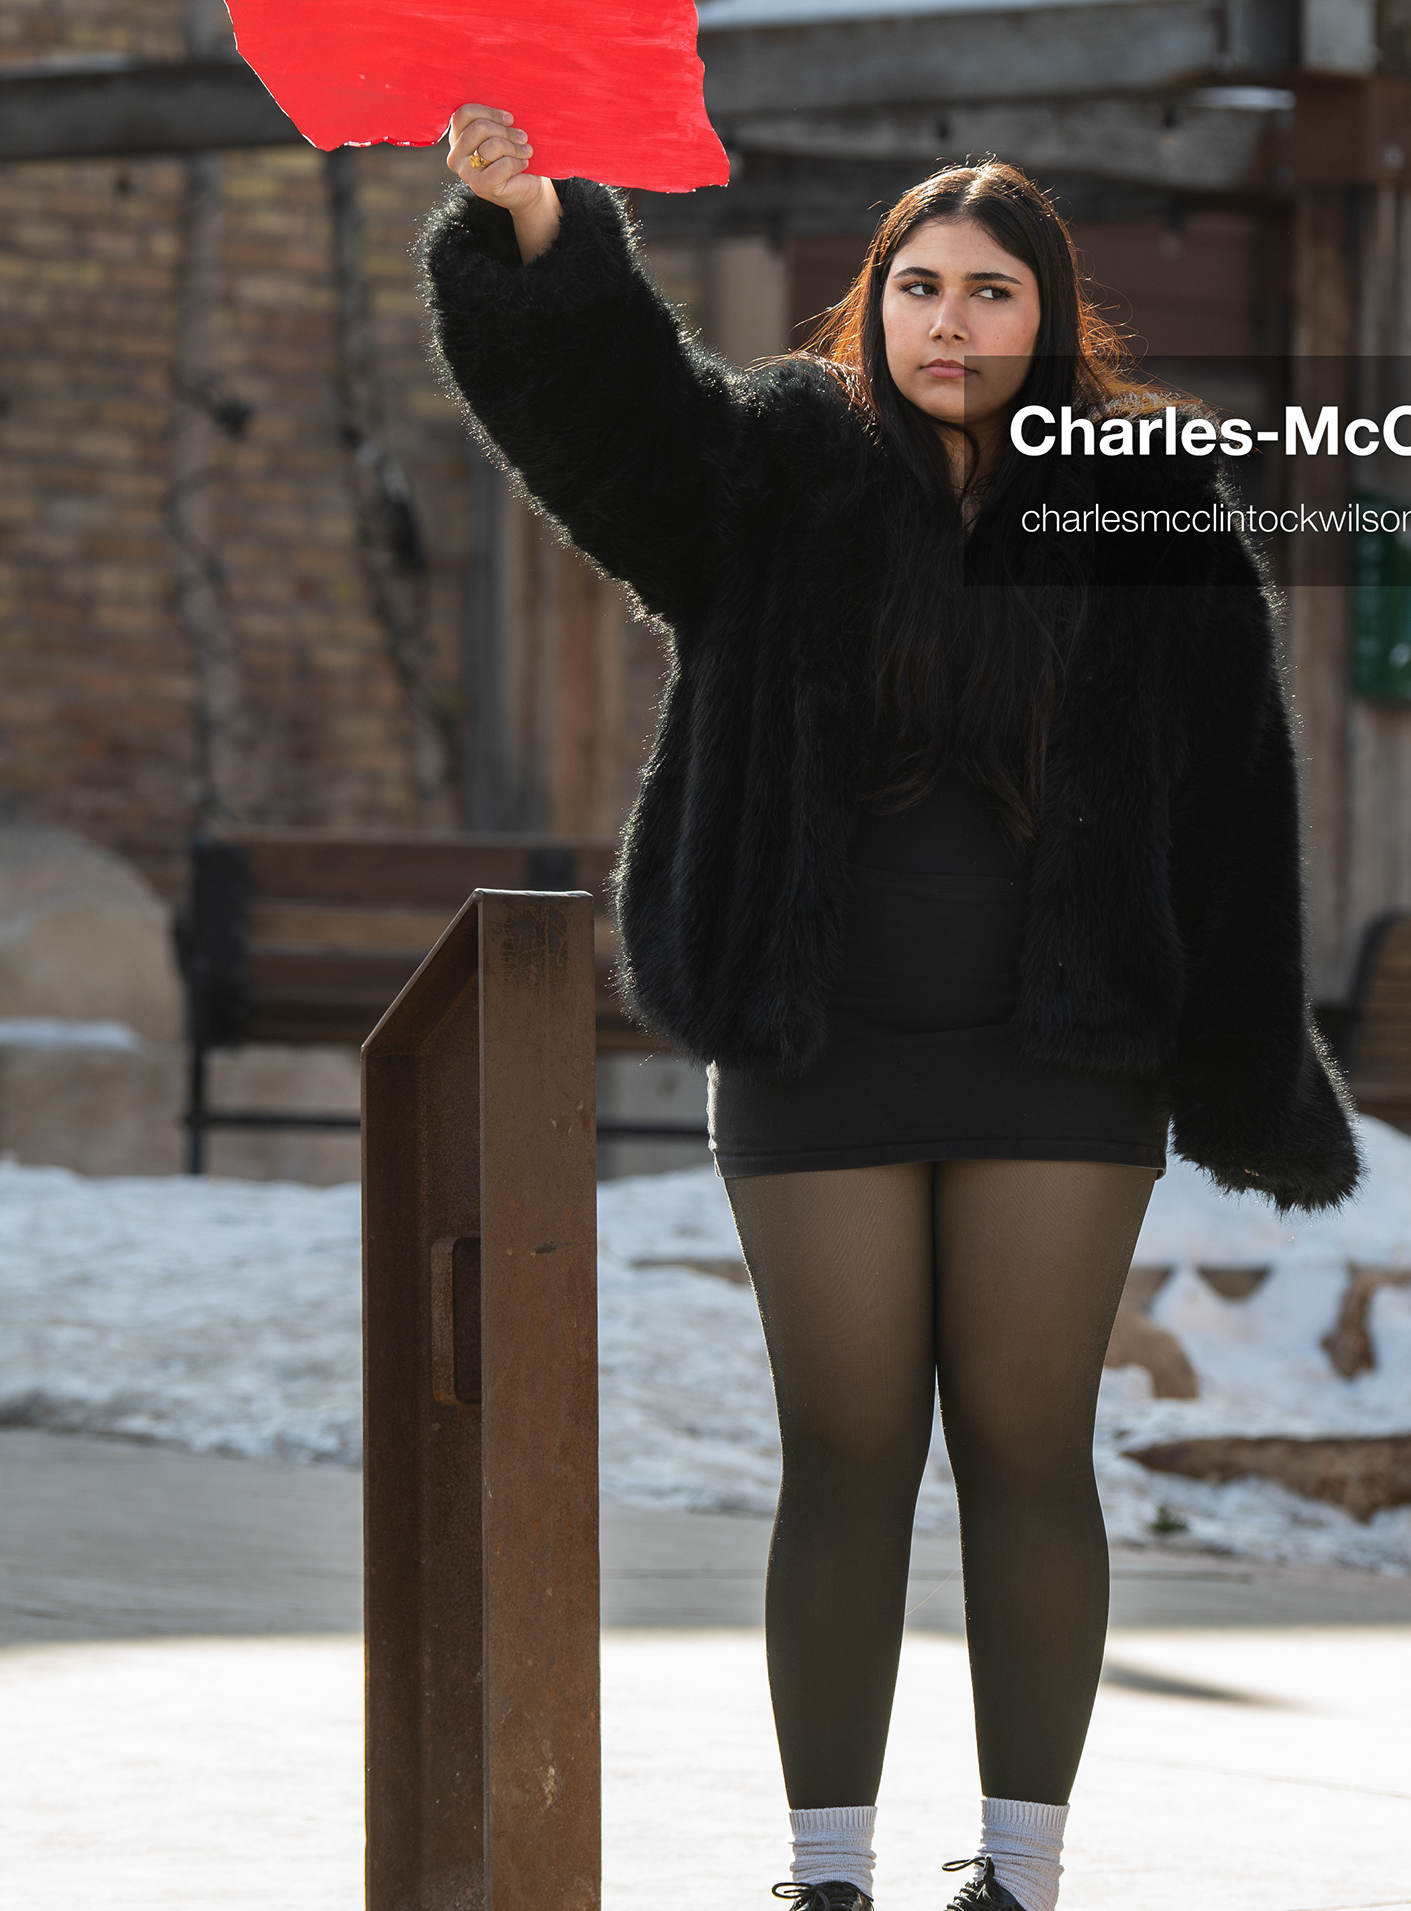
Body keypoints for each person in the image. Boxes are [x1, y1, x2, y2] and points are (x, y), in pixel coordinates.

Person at [425, 107, 1358, 1911]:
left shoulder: (1148, 506)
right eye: (918, 286)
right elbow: (613, 430)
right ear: (875, 306)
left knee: (1026, 1453)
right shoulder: (775, 470)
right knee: (843, 1455)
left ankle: (1020, 1874)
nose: (950, 320)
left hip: (1063, 1056)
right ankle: (825, 1871)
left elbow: (1237, 790)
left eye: (991, 291)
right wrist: (538, 224)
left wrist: (1239, 1059)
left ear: (1048, 316)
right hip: (815, 1043)